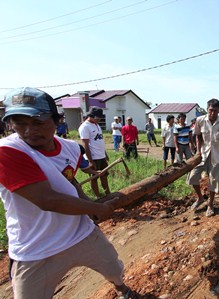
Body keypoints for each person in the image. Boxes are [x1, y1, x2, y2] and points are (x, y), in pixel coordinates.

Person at [0, 87, 133, 299]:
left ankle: (121, 288)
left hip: (81, 233)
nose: (28, 131)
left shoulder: (70, 147)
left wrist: (88, 205)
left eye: (37, 122)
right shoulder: (7, 152)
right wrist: (98, 208)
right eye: (19, 123)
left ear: (56, 120)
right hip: (35, 249)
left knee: (114, 268)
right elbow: (46, 200)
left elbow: (70, 182)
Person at [187, 99, 219, 217]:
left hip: (217, 155)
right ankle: (200, 198)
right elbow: (198, 137)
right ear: (207, 109)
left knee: (213, 181)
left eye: (215, 111)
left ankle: (210, 205)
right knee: (193, 176)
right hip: (203, 155)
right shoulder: (200, 121)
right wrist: (198, 151)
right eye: (210, 110)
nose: (212, 113)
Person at [79, 107, 110, 198]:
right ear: (92, 116)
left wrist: (105, 154)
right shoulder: (85, 127)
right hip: (93, 157)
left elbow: (99, 141)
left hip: (101, 156)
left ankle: (108, 193)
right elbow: (85, 145)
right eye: (98, 118)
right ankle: (98, 197)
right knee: (94, 178)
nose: (100, 119)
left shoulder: (97, 125)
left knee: (104, 175)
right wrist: (90, 160)